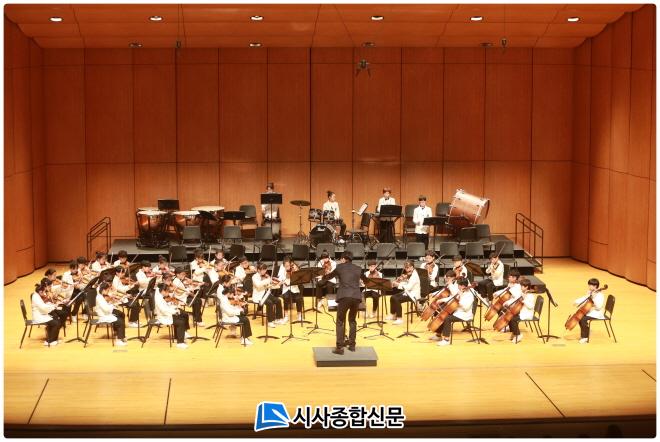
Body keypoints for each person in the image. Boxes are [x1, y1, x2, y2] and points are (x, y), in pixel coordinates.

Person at [320, 252, 369, 355]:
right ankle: (352, 346)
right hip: (356, 297)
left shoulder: (339, 267)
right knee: (352, 320)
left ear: (343, 259)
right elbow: (366, 281)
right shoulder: (358, 268)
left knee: (340, 321)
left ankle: (340, 348)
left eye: (341, 259)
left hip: (344, 297)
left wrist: (322, 277)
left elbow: (328, 277)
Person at [435, 278, 475, 346]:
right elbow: (452, 298)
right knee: (443, 314)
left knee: (447, 319)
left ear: (463, 286)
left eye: (458, 285)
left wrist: (460, 297)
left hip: (465, 315)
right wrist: (442, 300)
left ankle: (446, 340)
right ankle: (438, 335)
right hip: (458, 312)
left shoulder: (470, 295)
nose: (457, 286)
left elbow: (466, 308)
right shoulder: (461, 291)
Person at [154, 283, 190, 349]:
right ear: (163, 291)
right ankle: (180, 343)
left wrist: (174, 309)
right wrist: (174, 311)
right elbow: (164, 310)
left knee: (182, 315)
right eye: (167, 291)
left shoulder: (160, 295)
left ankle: (179, 335)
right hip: (163, 317)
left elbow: (166, 307)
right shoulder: (159, 299)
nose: (168, 293)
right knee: (180, 322)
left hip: (166, 314)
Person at [31, 282, 65, 346]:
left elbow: (44, 306)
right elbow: (43, 307)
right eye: (44, 291)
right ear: (40, 291)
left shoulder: (37, 295)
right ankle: (50, 341)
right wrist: (53, 306)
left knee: (57, 320)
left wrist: (53, 306)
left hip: (42, 313)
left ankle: (54, 339)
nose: (44, 293)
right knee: (56, 323)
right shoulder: (35, 297)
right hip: (39, 316)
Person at [387, 260, 420, 325]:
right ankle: (393, 315)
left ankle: (399, 319)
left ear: (412, 267)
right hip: (408, 292)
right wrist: (400, 282)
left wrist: (398, 285)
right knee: (392, 297)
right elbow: (407, 283)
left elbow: (408, 287)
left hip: (413, 295)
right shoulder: (410, 274)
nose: (407, 270)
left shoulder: (414, 276)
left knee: (396, 299)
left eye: (408, 268)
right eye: (406, 268)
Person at [252, 263, 285, 327]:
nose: (264, 271)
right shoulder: (254, 277)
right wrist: (268, 280)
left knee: (278, 300)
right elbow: (258, 285)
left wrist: (277, 285)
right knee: (269, 303)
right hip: (259, 295)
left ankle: (278, 319)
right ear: (258, 270)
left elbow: (268, 286)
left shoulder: (265, 277)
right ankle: (270, 321)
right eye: (263, 270)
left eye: (265, 270)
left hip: (266, 294)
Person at [574, 278, 606, 344]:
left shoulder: (600, 295)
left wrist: (593, 298)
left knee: (582, 319)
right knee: (579, 316)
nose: (589, 287)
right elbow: (585, 298)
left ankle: (585, 337)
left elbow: (598, 307)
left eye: (590, 285)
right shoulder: (590, 292)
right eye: (588, 285)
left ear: (595, 286)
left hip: (597, 313)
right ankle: (586, 331)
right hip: (590, 311)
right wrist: (576, 301)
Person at [95, 282, 127, 347]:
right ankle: (119, 340)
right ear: (103, 290)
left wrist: (112, 303)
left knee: (121, 315)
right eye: (107, 290)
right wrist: (113, 304)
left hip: (107, 313)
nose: (108, 292)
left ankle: (118, 334)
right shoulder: (99, 298)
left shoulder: (101, 296)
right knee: (120, 321)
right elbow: (106, 309)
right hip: (103, 316)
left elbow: (107, 306)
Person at [505, 277, 535, 344]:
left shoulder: (530, 295)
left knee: (513, 319)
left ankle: (518, 335)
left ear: (526, 287)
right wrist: (508, 303)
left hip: (527, 313)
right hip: (522, 311)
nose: (520, 287)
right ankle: (514, 333)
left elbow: (531, 306)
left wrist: (524, 300)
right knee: (509, 316)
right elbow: (516, 300)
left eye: (522, 286)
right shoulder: (523, 293)